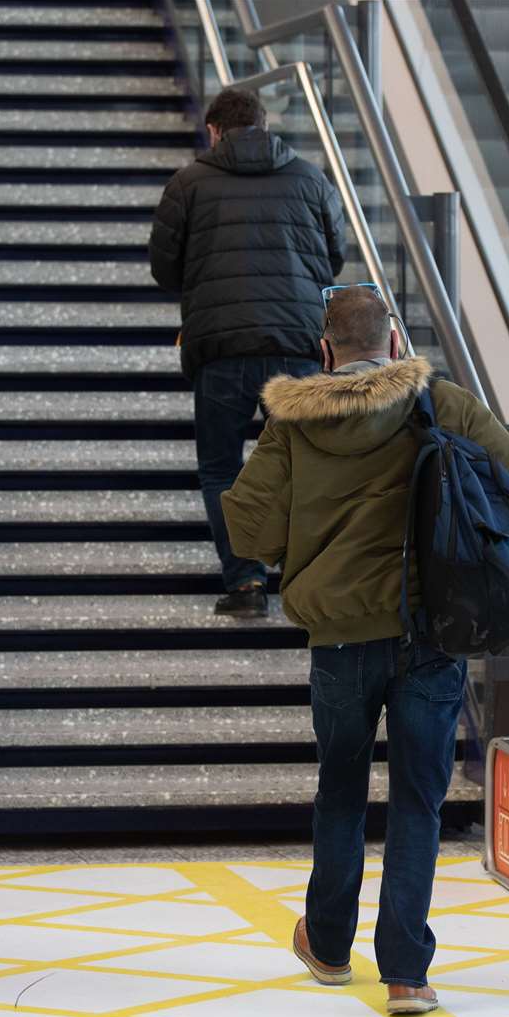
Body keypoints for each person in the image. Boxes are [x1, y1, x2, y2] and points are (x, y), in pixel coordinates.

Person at [221, 286, 509, 1016]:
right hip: (430, 632)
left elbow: (248, 529)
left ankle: (328, 946)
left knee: (340, 788)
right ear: (394, 344)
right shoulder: (440, 404)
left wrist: (309, 532)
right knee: (419, 800)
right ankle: (406, 974)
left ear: (324, 351)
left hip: (338, 637)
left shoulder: (294, 424)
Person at [150, 86, 347, 619]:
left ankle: (245, 584)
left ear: (214, 130)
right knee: (306, 464)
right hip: (297, 347)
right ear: (264, 125)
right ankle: (309, 584)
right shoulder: (310, 178)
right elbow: (335, 256)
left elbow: (164, 269)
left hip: (221, 348)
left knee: (220, 468)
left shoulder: (188, 183)